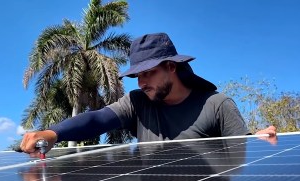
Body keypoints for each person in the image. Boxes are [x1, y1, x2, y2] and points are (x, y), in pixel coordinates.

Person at [20, 33, 277, 156]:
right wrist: (53, 133)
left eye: (148, 73)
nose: (141, 82)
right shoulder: (138, 102)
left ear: (171, 67)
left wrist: (260, 141)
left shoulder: (217, 104)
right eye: (137, 75)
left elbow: (243, 159)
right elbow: (97, 119)